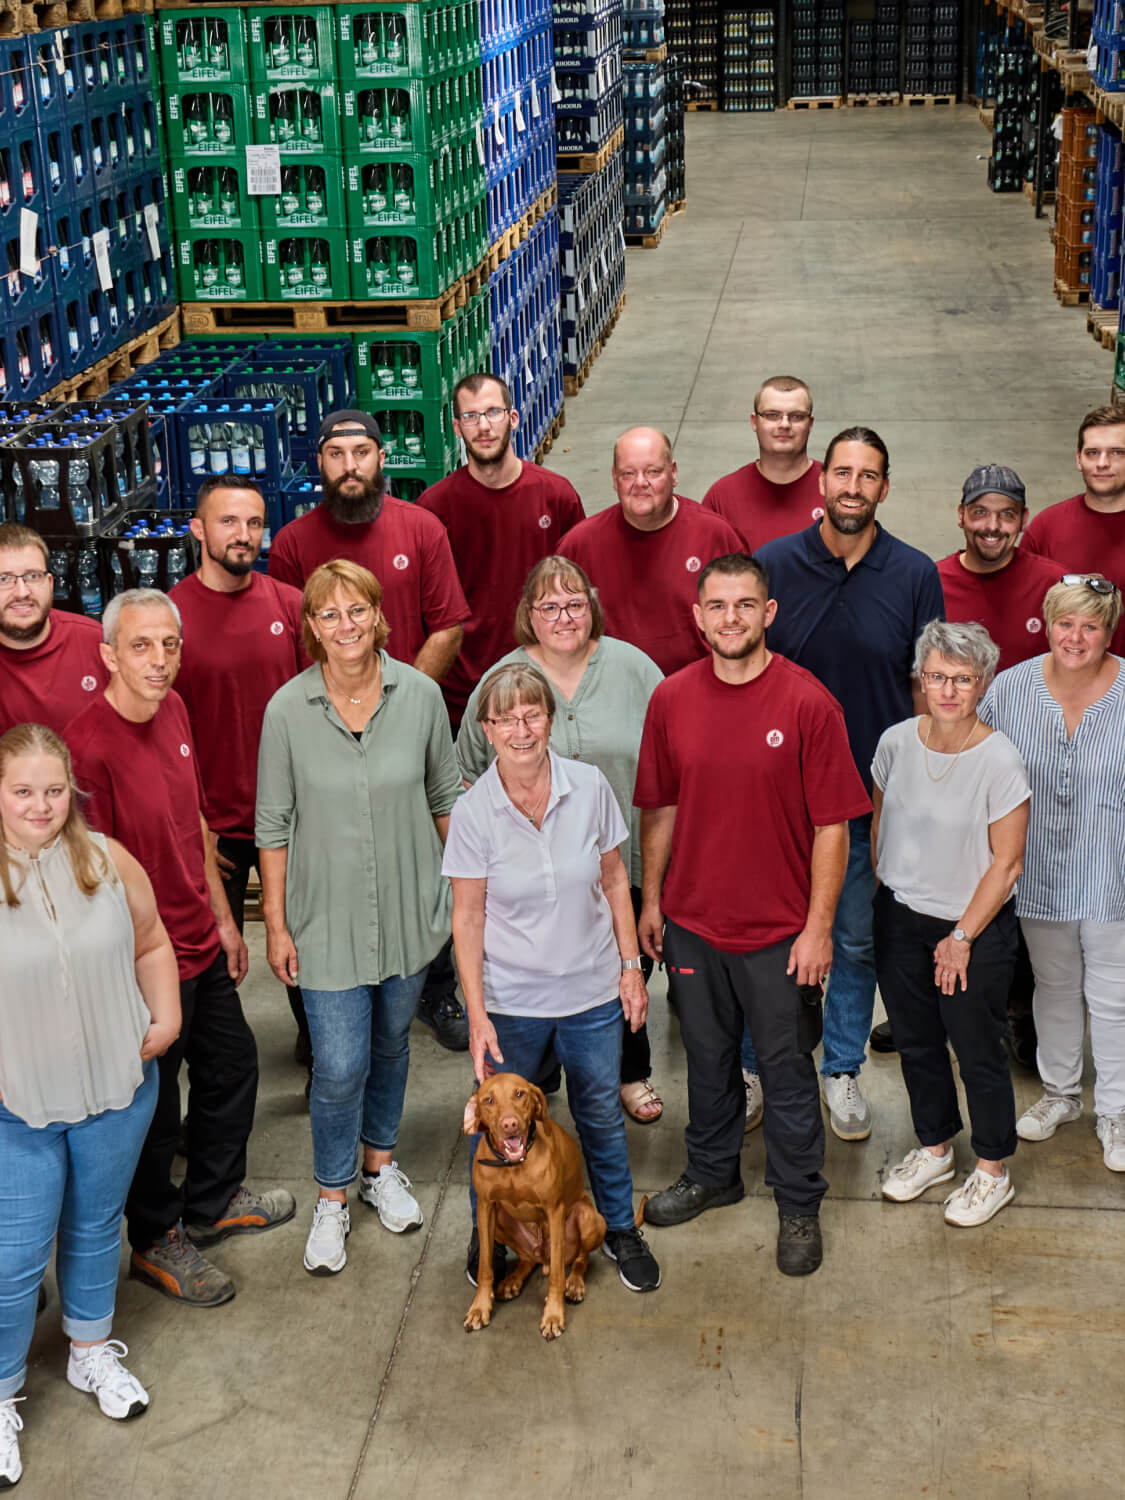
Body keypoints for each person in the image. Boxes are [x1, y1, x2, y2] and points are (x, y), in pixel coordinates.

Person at [636, 554, 870, 1277]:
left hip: (776, 935)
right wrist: (653, 898)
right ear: (697, 615)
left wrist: (818, 927)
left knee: (786, 1074)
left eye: (744, 605)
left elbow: (834, 825)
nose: (729, 618)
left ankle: (798, 1202)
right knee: (706, 1065)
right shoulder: (671, 699)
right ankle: (712, 1174)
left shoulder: (806, 703)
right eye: (716, 605)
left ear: (768, 614)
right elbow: (661, 806)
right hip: (693, 925)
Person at [67, 590, 294, 1309]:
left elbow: (193, 824)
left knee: (232, 1067)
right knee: (154, 1113)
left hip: (199, 938)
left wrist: (226, 919)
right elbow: (86, 875)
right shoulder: (87, 748)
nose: (160, 661)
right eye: (141, 646)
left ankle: (214, 1200)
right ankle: (156, 1239)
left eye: (169, 644)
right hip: (139, 963)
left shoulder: (173, 710)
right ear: (108, 654)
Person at [256, 560, 462, 1277]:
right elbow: (273, 825)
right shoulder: (286, 711)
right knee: (339, 1065)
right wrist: (277, 926)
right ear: (310, 628)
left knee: (393, 1048)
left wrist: (465, 900)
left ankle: (380, 1167)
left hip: (410, 912)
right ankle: (332, 1197)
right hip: (326, 923)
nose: (346, 627)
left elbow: (445, 798)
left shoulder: (421, 697)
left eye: (358, 612)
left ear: (379, 617)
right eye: (329, 615)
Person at [0, 722, 181, 1489]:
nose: (40, 805)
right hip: (18, 1103)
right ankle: (2, 1394)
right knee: (13, 1256)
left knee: (96, 1227)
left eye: (52, 790)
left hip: (117, 1088)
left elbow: (151, 942)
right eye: (21, 791)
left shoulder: (106, 859)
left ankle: (88, 1352)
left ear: (70, 789)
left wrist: (165, 1017)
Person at [444, 662, 661, 1295]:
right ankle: (494, 1231)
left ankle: (618, 1226)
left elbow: (617, 880)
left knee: (598, 1111)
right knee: (498, 1122)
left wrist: (630, 970)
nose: (520, 729)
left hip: (592, 991)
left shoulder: (589, 786)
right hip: (511, 1001)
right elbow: (468, 917)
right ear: (486, 729)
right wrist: (477, 1015)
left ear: (551, 719)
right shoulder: (474, 811)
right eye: (505, 718)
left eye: (531, 714)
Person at [755, 428, 945, 1142]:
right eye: (842, 472)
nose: (852, 487)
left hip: (866, 803)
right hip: (778, 800)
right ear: (820, 482)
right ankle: (758, 1066)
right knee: (770, 943)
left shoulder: (912, 572)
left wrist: (917, 786)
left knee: (854, 942)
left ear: (883, 489)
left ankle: (840, 1070)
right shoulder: (775, 564)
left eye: (868, 476)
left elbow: (925, 687)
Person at [268, 410, 473, 1052]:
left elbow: (448, 625)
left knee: (415, 857)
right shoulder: (294, 544)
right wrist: (344, 698)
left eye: (362, 452)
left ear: (382, 459)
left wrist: (398, 695)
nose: (350, 465)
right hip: (328, 726)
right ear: (319, 463)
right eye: (336, 454)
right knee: (333, 860)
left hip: (404, 724)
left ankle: (435, 987)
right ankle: (323, 1013)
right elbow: (295, 642)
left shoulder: (422, 527)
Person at [455, 556, 665, 1122]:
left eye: (575, 603)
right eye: (549, 606)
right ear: (529, 615)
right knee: (539, 993)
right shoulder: (502, 679)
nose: (564, 616)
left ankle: (629, 1073)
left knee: (622, 974)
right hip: (526, 874)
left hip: (620, 856)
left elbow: (670, 756)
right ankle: (535, 1085)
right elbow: (469, 769)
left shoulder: (634, 668)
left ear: (592, 607)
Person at [872, 621, 1029, 1226]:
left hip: (972, 929)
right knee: (915, 1043)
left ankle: (992, 1169)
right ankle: (936, 1146)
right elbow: (881, 824)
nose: (947, 690)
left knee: (976, 1050)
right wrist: (889, 892)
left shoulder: (1000, 759)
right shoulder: (895, 743)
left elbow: (1007, 862)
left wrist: (960, 937)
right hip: (901, 918)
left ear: (982, 683)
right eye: (937, 676)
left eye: (962, 679)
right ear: (921, 678)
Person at [911, 463, 1057, 1071]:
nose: (992, 526)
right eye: (981, 513)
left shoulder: (1050, 582)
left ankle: (1014, 1013)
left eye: (1006, 515)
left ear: (1022, 520)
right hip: (950, 761)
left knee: (1013, 885)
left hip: (1029, 766)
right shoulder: (935, 580)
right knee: (941, 881)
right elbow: (919, 673)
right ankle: (927, 1002)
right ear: (962, 515)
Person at [979, 574, 1125, 1173]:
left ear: (1108, 632)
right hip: (1036, 872)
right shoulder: (1011, 689)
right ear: (1048, 623)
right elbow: (980, 767)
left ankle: (1115, 1112)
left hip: (1112, 873)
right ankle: (1061, 1093)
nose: (1076, 636)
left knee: (1113, 999)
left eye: (1090, 625)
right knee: (1054, 986)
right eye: (1065, 622)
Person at [171, 477, 312, 1078]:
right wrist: (194, 826)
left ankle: (323, 1059)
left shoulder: (288, 603)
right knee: (211, 970)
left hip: (290, 820)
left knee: (308, 958)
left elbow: (317, 710)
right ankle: (210, 1102)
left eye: (253, 522)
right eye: (228, 522)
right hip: (215, 830)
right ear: (199, 529)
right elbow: (160, 736)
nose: (243, 534)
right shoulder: (169, 618)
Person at [417, 374, 585, 729]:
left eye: (493, 412)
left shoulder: (556, 496)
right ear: (456, 428)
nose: (483, 426)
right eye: (471, 416)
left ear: (513, 418)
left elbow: (580, 597)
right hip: (461, 698)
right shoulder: (434, 509)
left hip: (542, 686)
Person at [557, 428, 744, 677]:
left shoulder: (716, 537)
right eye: (628, 473)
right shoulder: (578, 546)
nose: (640, 483)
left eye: (653, 472)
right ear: (614, 479)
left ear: (674, 473)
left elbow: (746, 625)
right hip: (612, 694)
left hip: (698, 694)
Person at [1023, 405, 1125, 655]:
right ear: (1078, 459)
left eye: (1117, 453)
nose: (1103, 463)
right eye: (1093, 453)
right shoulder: (1046, 528)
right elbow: (1023, 612)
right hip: (1062, 686)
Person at [0, 523, 108, 737]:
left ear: (50, 583)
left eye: (32, 576)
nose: (22, 592)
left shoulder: (95, 642)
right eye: (4, 579)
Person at [701, 375, 824, 549]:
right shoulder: (722, 497)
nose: (784, 424)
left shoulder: (838, 488)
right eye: (772, 415)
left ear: (810, 424)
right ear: (754, 421)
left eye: (797, 416)